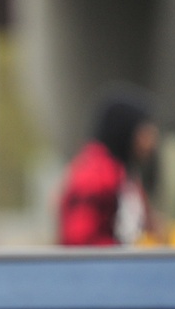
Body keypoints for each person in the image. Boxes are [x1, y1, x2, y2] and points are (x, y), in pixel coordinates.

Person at [57, 88, 160, 246]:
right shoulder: (95, 176)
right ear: (125, 131)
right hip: (101, 269)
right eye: (144, 133)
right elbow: (78, 241)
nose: (151, 142)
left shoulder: (124, 173)